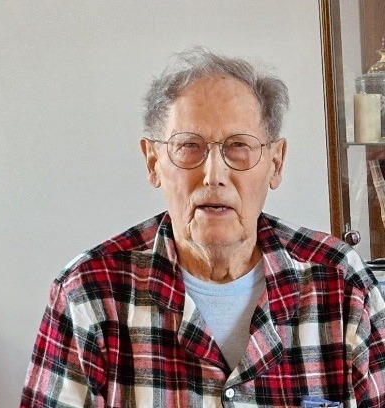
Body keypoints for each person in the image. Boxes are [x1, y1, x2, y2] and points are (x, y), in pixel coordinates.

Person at [20, 47, 385, 408]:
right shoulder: (88, 294)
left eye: (238, 146)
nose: (213, 175)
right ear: (153, 162)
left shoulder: (341, 282)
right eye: (189, 146)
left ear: (275, 163)